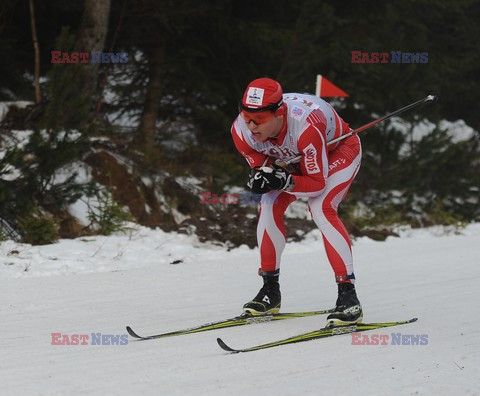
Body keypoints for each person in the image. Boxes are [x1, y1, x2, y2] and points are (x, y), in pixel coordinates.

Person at [230, 77, 363, 326]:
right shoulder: (241, 131)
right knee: (268, 203)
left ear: (279, 113)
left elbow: (317, 183)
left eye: (258, 119)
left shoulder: (305, 126)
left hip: (339, 151)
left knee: (321, 207)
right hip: (296, 158)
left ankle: (349, 297)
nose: (251, 125)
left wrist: (286, 181)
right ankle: (270, 291)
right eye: (246, 116)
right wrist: (262, 174)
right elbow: (260, 161)